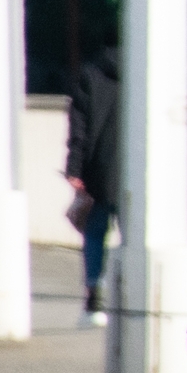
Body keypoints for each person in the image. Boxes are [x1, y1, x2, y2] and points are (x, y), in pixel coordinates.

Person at [66, 45, 124, 326]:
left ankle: (94, 298)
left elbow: (79, 128)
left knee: (95, 234)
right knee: (135, 238)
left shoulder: (90, 76)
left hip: (99, 171)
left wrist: (74, 168)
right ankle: (132, 297)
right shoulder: (143, 73)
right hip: (134, 171)